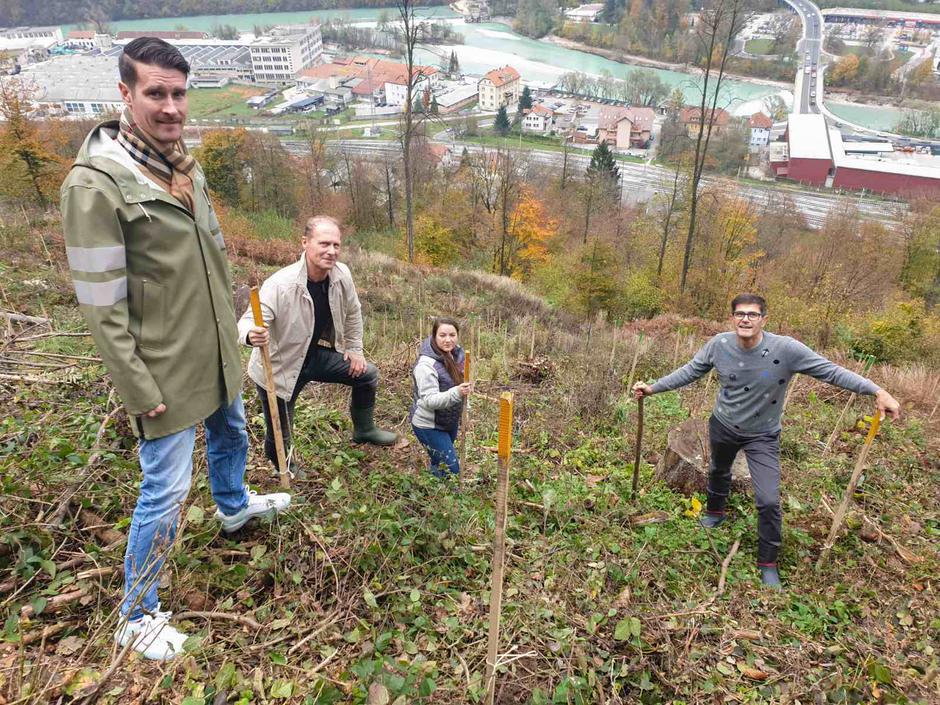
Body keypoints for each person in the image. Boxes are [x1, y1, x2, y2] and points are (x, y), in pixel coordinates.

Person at [60, 38, 290, 661]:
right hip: (162, 369)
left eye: (178, 94)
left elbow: (211, 262)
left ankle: (235, 508)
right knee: (163, 490)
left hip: (216, 349)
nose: (170, 107)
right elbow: (101, 305)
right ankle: (137, 614)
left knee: (233, 435)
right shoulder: (96, 186)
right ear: (125, 94)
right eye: (155, 93)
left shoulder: (183, 166)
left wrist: (241, 329)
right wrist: (137, 386)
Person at [633, 293, 900, 589]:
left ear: (764, 320)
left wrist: (876, 390)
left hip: (763, 435)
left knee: (769, 499)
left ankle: (768, 561)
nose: (745, 319)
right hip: (722, 425)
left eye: (753, 314)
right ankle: (715, 512)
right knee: (719, 470)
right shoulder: (719, 345)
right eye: (740, 314)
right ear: (733, 318)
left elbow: (831, 371)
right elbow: (690, 371)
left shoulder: (786, 350)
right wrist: (653, 388)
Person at [237, 216, 397, 477]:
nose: (331, 251)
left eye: (336, 245)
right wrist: (251, 334)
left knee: (367, 374)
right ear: (305, 243)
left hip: (313, 357)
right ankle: (284, 468)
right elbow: (246, 323)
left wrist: (355, 349)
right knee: (280, 431)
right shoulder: (281, 285)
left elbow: (353, 313)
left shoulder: (341, 274)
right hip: (280, 367)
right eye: (324, 244)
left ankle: (364, 429)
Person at [410, 318, 473, 477]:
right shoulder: (426, 365)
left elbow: (463, 385)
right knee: (451, 469)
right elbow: (430, 401)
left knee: (440, 463)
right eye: (442, 335)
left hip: (448, 421)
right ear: (434, 336)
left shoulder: (458, 355)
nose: (448, 340)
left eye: (452, 335)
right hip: (429, 425)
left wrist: (466, 410)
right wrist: (457, 392)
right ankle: (442, 496)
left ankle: (434, 488)